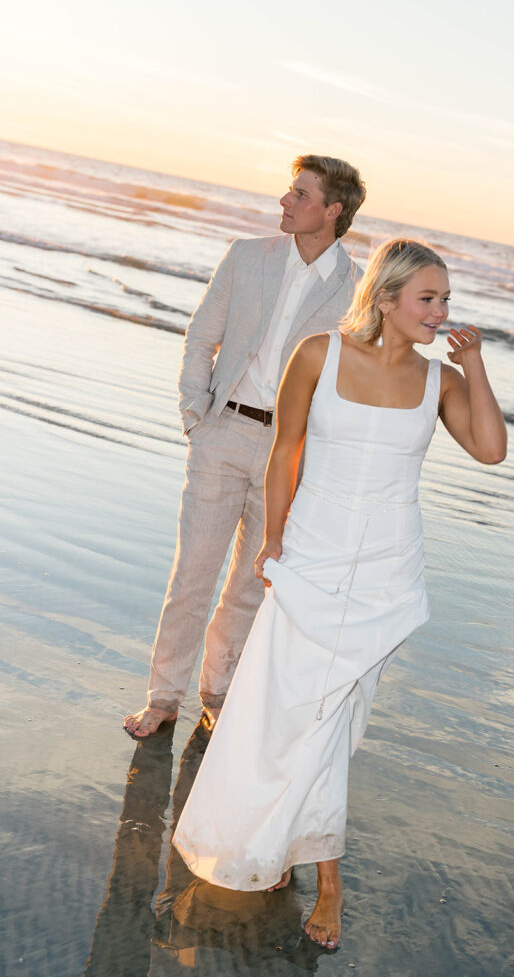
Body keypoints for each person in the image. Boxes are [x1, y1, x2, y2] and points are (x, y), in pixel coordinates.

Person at [171, 238, 507, 949]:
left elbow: (490, 449)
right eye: (428, 298)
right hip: (312, 560)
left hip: (385, 571)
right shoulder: (319, 354)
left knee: (332, 721)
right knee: (280, 709)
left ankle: (325, 879)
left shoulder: (435, 382)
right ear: (385, 298)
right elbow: (285, 448)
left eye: (445, 299)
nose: (440, 311)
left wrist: (472, 366)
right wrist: (273, 540)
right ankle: (284, 855)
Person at [124, 155, 366, 738]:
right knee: (194, 575)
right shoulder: (245, 255)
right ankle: (162, 699)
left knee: (253, 582)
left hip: (291, 453)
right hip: (222, 432)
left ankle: (219, 693)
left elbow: (351, 381)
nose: (285, 202)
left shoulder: (357, 289)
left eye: (300, 195)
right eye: (289, 191)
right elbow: (202, 335)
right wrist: (195, 415)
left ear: (332, 211)